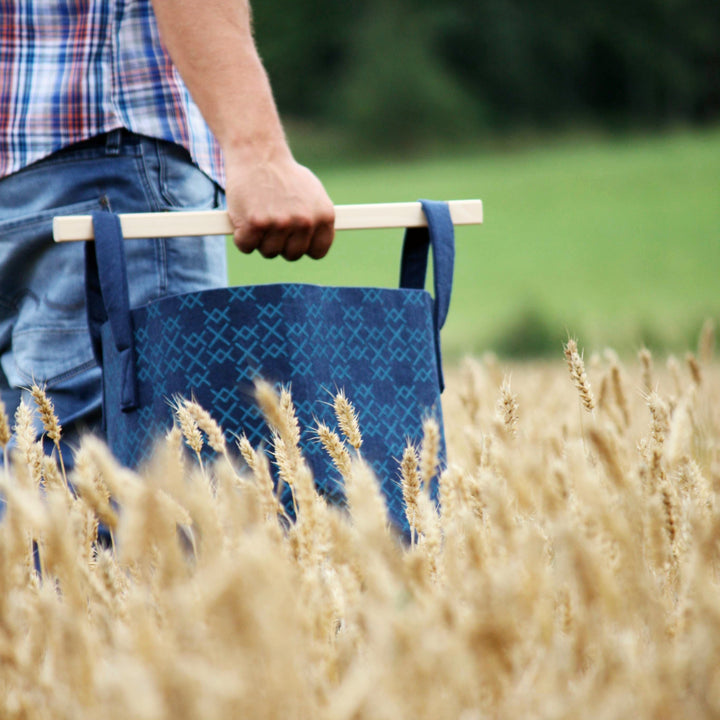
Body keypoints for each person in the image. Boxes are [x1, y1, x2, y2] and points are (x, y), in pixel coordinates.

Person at [0, 0, 335, 451]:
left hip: (27, 168)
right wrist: (259, 150)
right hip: (111, 148)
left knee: (39, 490)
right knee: (147, 487)